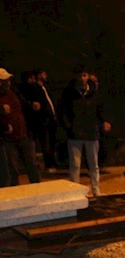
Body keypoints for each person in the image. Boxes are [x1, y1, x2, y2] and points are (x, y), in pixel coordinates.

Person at [59, 65, 110, 196]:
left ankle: (96, 189)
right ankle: (75, 191)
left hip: (91, 132)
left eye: (84, 75)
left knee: (93, 164)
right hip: (75, 133)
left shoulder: (94, 93)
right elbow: (62, 111)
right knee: (75, 164)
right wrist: (68, 126)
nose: (82, 78)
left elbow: (100, 108)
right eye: (80, 75)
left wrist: (105, 120)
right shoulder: (69, 93)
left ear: (88, 76)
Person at [0, 68, 41, 187]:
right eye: (4, 81)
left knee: (33, 166)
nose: (8, 83)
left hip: (24, 135)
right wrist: (3, 126)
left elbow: (24, 104)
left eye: (8, 80)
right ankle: (16, 198)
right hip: (7, 140)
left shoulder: (13, 91)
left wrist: (32, 105)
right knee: (13, 170)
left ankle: (38, 193)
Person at [34, 69, 59, 172]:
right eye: (44, 74)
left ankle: (53, 162)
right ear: (39, 75)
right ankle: (48, 163)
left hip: (52, 118)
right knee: (46, 142)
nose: (46, 76)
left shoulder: (46, 88)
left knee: (52, 142)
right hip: (44, 119)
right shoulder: (36, 89)